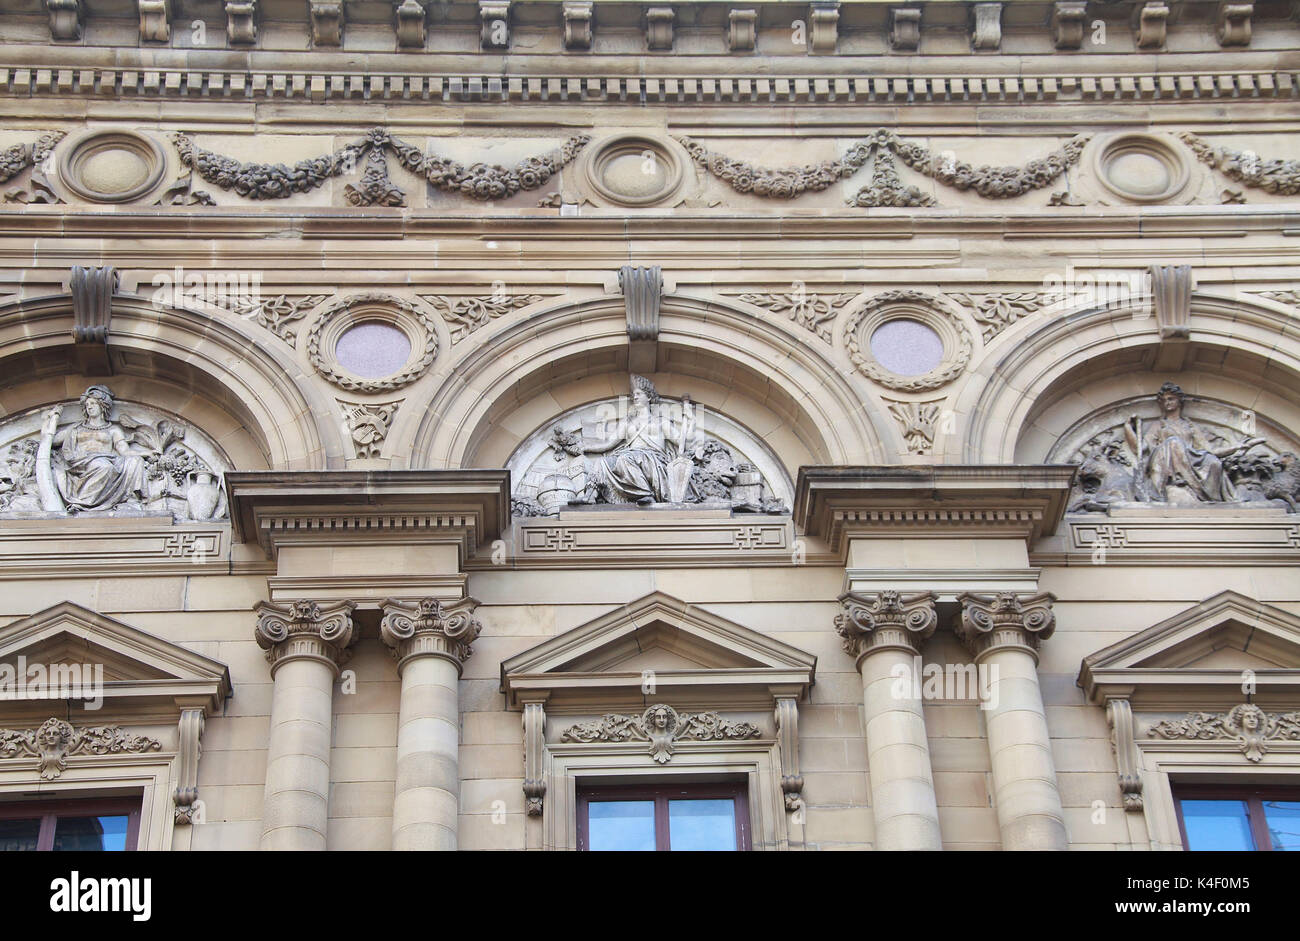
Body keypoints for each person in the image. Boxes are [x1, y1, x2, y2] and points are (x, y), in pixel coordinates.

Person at [1124, 382, 1263, 504]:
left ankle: (1214, 497)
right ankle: (1179, 479)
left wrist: (1238, 447)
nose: (1167, 402)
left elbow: (1209, 450)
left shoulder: (1189, 426)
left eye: (1171, 399)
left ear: (1179, 401)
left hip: (1192, 459)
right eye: (1164, 400)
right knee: (1173, 442)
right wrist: (1128, 429)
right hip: (1165, 461)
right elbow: (1140, 449)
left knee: (1214, 462)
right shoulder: (1159, 425)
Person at [39, 385, 150, 512]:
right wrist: (51, 421)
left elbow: (125, 451)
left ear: (102, 405)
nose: (89, 407)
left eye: (93, 403)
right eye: (87, 405)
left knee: (135, 461)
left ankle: (132, 499)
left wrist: (146, 453)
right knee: (104, 466)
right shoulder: (76, 428)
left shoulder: (113, 430)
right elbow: (50, 441)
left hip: (107, 460)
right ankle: (84, 502)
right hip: (82, 462)